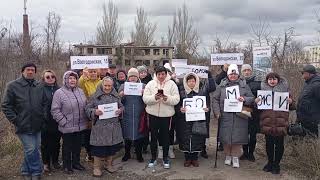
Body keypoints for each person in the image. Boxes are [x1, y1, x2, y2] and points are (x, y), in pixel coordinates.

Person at [2, 63, 48, 180]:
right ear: (23, 71)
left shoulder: (39, 85)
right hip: (23, 124)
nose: (30, 72)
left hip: (38, 124)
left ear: (35, 72)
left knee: (34, 148)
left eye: (33, 70)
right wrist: (15, 120)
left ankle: (25, 170)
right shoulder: (12, 86)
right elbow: (6, 106)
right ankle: (36, 172)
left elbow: (45, 103)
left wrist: (43, 117)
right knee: (31, 149)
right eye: (28, 70)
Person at [213, 64, 254, 168]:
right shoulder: (222, 85)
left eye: (235, 74)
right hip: (225, 115)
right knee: (226, 137)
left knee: (237, 137)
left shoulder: (244, 85)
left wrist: (244, 99)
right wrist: (217, 112)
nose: (233, 76)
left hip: (239, 116)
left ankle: (235, 157)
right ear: (228, 75)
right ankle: (228, 155)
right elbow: (215, 99)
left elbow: (252, 98)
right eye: (231, 74)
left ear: (238, 74)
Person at [256, 72, 294, 174]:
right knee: (269, 144)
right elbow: (257, 109)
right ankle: (269, 162)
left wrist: (291, 102)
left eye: (274, 79)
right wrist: (256, 102)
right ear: (267, 81)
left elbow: (293, 106)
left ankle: (276, 164)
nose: (272, 81)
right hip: (267, 122)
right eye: (270, 79)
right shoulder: (262, 93)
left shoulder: (285, 92)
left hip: (280, 123)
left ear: (278, 80)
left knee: (279, 145)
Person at [85, 77, 123, 177]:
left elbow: (121, 106)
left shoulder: (116, 96)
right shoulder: (94, 96)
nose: (107, 88)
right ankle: (97, 167)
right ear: (102, 85)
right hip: (99, 127)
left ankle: (108, 164)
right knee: (98, 148)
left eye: (109, 86)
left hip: (113, 126)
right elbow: (87, 109)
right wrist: (94, 112)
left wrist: (120, 110)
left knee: (111, 147)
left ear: (112, 85)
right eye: (105, 85)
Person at [143, 66, 180, 169]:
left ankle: (165, 158)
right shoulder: (151, 84)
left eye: (163, 74)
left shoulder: (172, 84)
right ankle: (153, 158)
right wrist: (154, 97)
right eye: (159, 74)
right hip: (153, 115)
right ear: (156, 74)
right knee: (153, 137)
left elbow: (177, 99)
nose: (161, 76)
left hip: (166, 116)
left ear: (166, 74)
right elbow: (145, 98)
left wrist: (166, 98)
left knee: (165, 137)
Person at [51, 71, 88, 174]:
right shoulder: (59, 93)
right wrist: (63, 122)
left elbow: (85, 105)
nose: (72, 80)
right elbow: (55, 110)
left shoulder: (80, 91)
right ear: (65, 80)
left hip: (80, 125)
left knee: (77, 146)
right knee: (67, 147)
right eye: (70, 78)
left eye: (74, 78)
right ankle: (67, 165)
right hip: (67, 126)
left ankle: (76, 163)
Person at [176, 72, 215, 167]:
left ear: (196, 81)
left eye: (193, 81)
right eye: (189, 81)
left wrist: (207, 108)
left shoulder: (202, 92)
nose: (191, 83)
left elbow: (207, 102)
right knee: (185, 138)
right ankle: (187, 158)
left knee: (197, 138)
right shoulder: (181, 92)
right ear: (186, 82)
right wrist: (180, 109)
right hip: (184, 121)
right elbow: (176, 105)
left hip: (198, 120)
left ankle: (195, 158)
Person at [118, 68, 146, 163]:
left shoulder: (143, 86)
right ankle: (127, 153)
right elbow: (118, 102)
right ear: (128, 77)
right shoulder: (123, 86)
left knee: (139, 135)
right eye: (131, 76)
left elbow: (147, 100)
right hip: (127, 115)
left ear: (137, 77)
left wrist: (144, 94)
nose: (133, 78)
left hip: (139, 115)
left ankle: (139, 154)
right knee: (127, 136)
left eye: (134, 76)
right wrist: (121, 95)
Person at [40, 70, 61, 172]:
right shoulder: (39, 89)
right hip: (45, 121)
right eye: (47, 77)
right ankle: (45, 163)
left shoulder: (60, 89)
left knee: (56, 143)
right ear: (43, 79)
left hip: (57, 121)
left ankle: (55, 161)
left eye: (52, 76)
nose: (50, 78)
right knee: (45, 144)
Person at [78, 68, 102, 162]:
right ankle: (89, 153)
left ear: (97, 73)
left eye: (94, 71)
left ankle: (98, 152)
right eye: (91, 72)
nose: (93, 73)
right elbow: (80, 85)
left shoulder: (101, 82)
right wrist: (83, 77)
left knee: (98, 133)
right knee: (88, 133)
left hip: (100, 110)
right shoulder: (84, 81)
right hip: (88, 110)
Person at [239, 64, 261, 162]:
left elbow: (262, 97)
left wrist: (257, 100)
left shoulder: (258, 83)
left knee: (252, 134)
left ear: (251, 71)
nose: (247, 72)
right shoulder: (238, 83)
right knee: (243, 133)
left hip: (254, 112)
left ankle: (251, 153)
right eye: (245, 70)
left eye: (248, 70)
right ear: (242, 72)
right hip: (242, 110)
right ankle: (245, 152)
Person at [297, 64, 320, 137]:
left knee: (311, 140)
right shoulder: (308, 83)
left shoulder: (317, 85)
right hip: (304, 119)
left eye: (303, 73)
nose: (302, 75)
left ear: (309, 74)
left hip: (311, 120)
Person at [137, 65, 153, 153]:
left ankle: (145, 146)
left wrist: (145, 92)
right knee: (139, 127)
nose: (143, 74)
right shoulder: (135, 82)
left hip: (147, 107)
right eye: (141, 72)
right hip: (138, 107)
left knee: (146, 127)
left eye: (144, 72)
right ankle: (138, 145)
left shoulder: (151, 81)